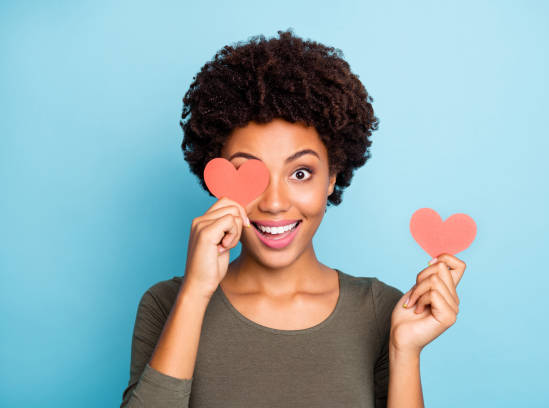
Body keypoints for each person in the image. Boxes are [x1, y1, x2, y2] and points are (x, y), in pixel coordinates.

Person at [120, 29, 465, 408]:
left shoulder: (382, 310)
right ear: (219, 179)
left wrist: (405, 350)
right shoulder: (167, 303)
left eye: (300, 173)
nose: (274, 203)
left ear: (332, 176)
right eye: (250, 174)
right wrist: (196, 294)